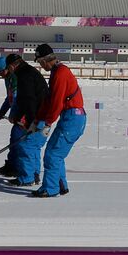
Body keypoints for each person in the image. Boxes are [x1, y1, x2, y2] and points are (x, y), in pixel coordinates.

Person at [32, 44, 85, 198]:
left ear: (44, 60)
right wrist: (38, 120)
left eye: (40, 62)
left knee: (52, 154)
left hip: (72, 119)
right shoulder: (57, 72)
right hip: (71, 118)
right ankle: (60, 185)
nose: (40, 66)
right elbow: (48, 101)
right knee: (56, 153)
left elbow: (57, 103)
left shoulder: (60, 73)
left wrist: (48, 123)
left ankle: (51, 188)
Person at [3, 53, 49, 187]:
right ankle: (34, 175)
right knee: (34, 147)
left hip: (37, 116)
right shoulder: (29, 71)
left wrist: (29, 121)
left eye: (8, 68)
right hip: (42, 115)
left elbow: (29, 100)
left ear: (12, 66)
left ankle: (26, 178)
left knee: (26, 146)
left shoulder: (24, 76)